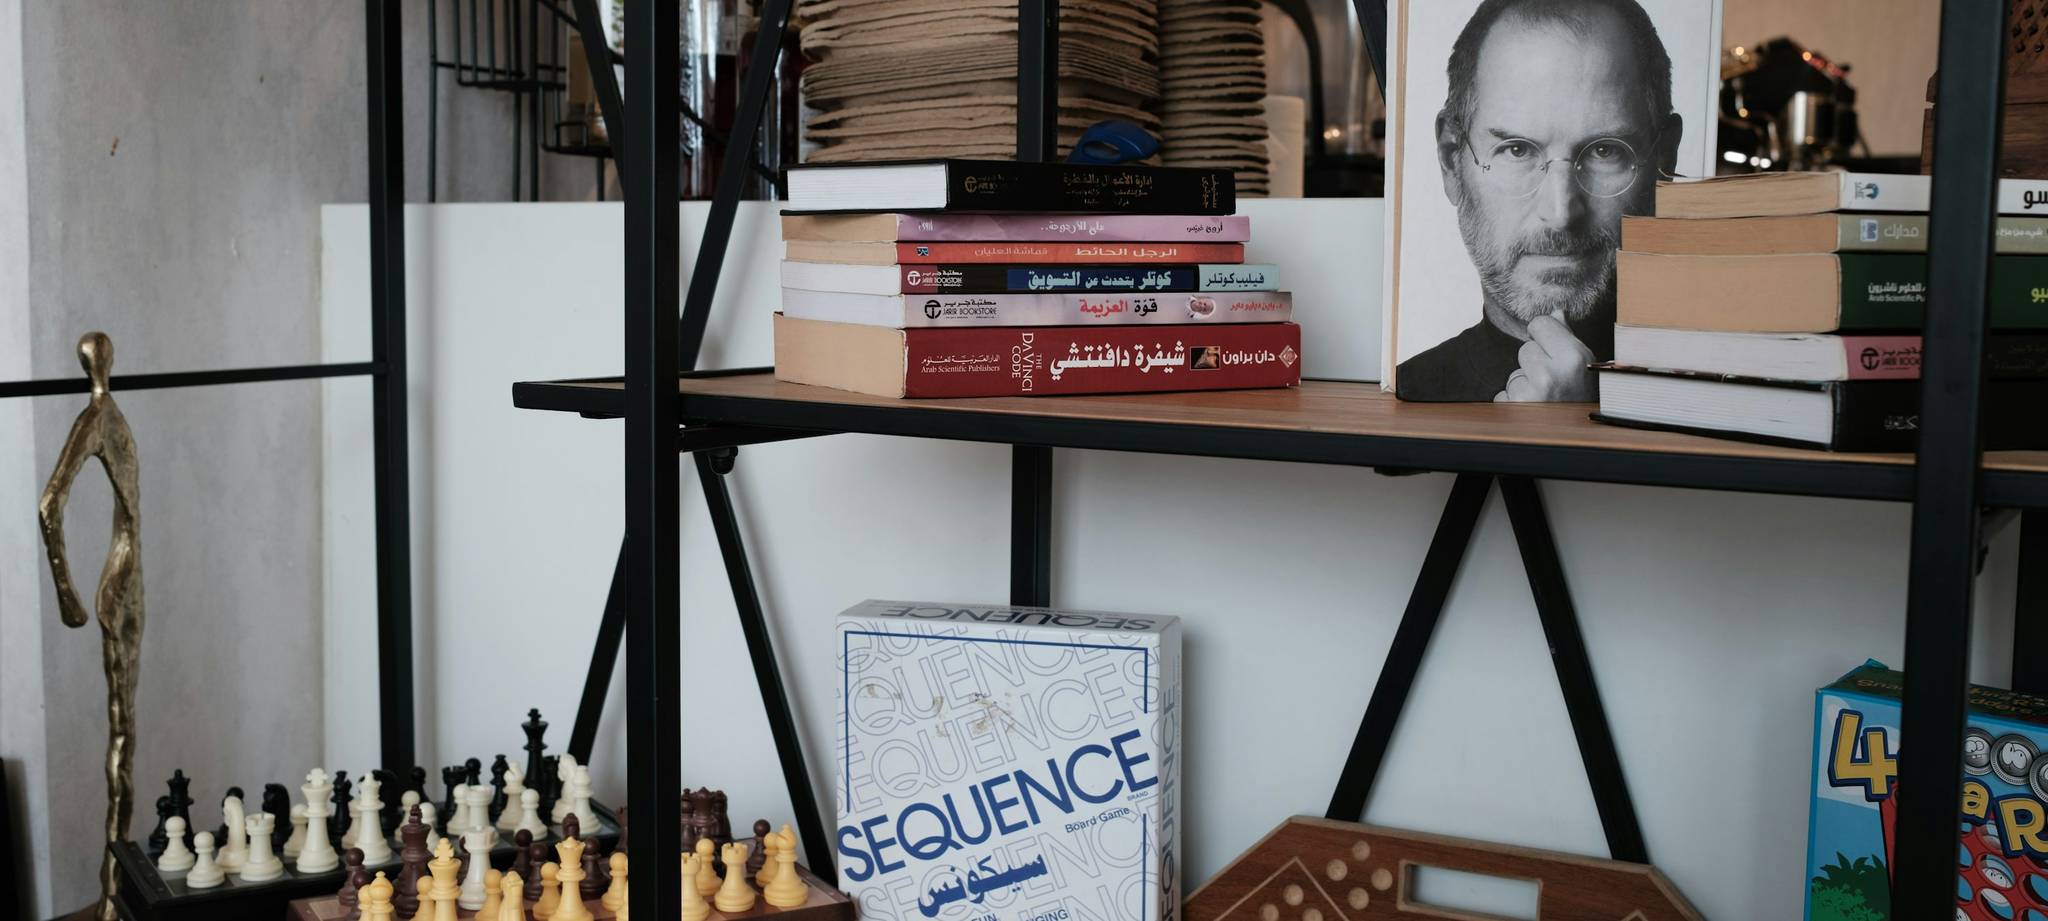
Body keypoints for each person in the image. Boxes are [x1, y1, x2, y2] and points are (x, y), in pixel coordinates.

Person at [1396, 0, 1683, 401]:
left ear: (1664, 159)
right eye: (1516, 150)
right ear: (1451, 160)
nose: (1561, 213)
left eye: (1605, 152)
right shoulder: (1405, 397)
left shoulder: (1727, 396)